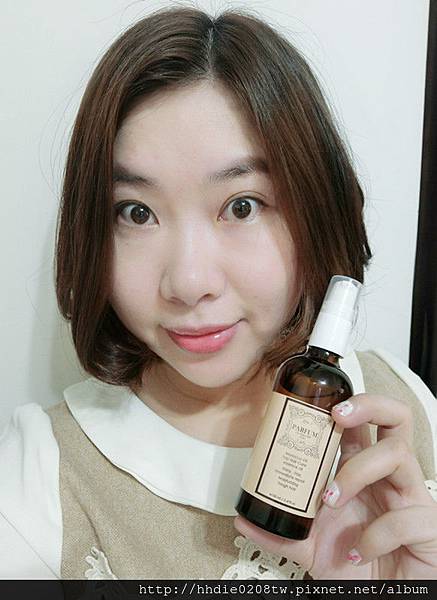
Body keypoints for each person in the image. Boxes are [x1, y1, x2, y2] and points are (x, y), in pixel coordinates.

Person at [0, 5, 436, 581]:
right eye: (136, 212)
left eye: (242, 206)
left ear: (316, 208)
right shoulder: (40, 478)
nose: (188, 283)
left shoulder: (403, 407)